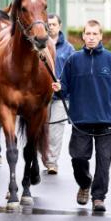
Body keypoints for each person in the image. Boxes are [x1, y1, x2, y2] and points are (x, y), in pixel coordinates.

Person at [52, 19, 111, 212]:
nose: (91, 37)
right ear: (83, 36)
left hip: (104, 120)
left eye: (95, 34)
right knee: (78, 158)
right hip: (81, 120)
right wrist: (59, 88)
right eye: (88, 33)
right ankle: (85, 183)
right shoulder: (74, 60)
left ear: (101, 36)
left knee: (103, 162)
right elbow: (65, 88)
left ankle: (98, 197)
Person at [43, 13, 75, 175]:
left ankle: (52, 162)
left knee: (56, 130)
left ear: (59, 26)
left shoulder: (69, 49)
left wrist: (65, 87)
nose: (51, 27)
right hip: (41, 97)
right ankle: (43, 157)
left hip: (60, 97)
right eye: (48, 24)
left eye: (54, 24)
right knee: (41, 129)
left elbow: (74, 73)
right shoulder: (39, 46)